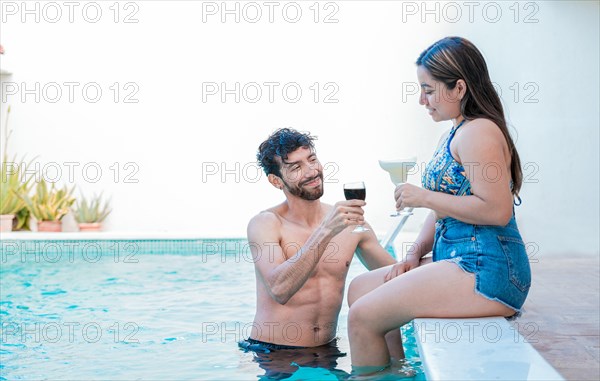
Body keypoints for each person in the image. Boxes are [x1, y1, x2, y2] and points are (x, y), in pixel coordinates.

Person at [347, 36, 532, 374]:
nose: (422, 100)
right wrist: (416, 251)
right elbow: (449, 207)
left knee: (363, 317)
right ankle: (396, 371)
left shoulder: (480, 132)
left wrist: (424, 196)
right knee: (360, 289)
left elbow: (496, 210)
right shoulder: (456, 130)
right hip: (460, 258)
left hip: (488, 270)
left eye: (428, 90)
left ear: (459, 88)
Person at [240, 128, 398, 377]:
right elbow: (280, 289)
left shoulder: (351, 224)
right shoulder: (266, 224)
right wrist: (326, 231)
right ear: (276, 181)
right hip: (276, 356)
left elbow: (396, 277)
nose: (312, 171)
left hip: (328, 353)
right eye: (296, 167)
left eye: (312, 160)